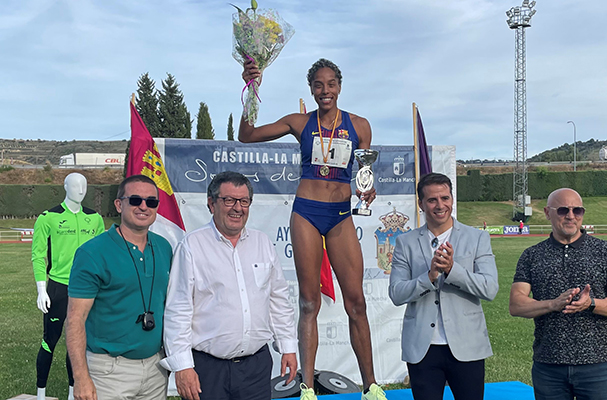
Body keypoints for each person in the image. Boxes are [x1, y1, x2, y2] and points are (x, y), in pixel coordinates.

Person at [239, 59, 386, 400]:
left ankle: (371, 386)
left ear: (340, 86)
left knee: (356, 302)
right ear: (311, 89)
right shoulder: (300, 122)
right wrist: (251, 88)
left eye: (331, 84)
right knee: (308, 303)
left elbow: (365, 174)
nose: (325, 91)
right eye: (318, 85)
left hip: (340, 216)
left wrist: (368, 189)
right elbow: (246, 136)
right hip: (306, 213)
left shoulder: (359, 125)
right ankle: (307, 388)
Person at [161, 172, 297, 400]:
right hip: (208, 369)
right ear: (211, 203)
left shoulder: (262, 243)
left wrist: (288, 347)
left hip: (256, 368)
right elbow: (179, 309)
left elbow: (278, 301)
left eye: (244, 201)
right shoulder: (192, 246)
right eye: (229, 200)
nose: (237, 208)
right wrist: (182, 366)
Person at [509, 188, 607, 400]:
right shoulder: (532, 255)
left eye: (577, 210)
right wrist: (552, 304)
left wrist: (591, 303)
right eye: (563, 210)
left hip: (597, 364)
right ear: (547, 213)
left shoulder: (606, 251)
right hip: (548, 365)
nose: (571, 216)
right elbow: (516, 304)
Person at [388, 173, 499, 400]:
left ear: (452, 199)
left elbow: (489, 288)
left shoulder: (477, 238)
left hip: (467, 345)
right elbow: (396, 293)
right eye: (432, 200)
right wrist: (428, 278)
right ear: (421, 204)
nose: (440, 205)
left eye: (445, 198)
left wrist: (452, 270)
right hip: (422, 348)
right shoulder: (405, 242)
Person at [66, 175, 172, 400]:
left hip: (156, 369)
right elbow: (75, 319)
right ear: (118, 204)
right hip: (108, 372)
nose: (143, 206)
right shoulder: (92, 253)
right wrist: (81, 377)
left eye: (151, 201)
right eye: (135, 200)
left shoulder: (164, 248)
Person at [31, 172, 104, 400]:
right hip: (58, 288)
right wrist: (41, 289)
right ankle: (40, 394)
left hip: (87, 289)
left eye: (84, 186)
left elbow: (101, 254)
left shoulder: (95, 219)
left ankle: (73, 394)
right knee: (49, 341)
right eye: (75, 185)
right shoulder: (48, 218)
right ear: (65, 187)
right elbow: (38, 255)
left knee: (79, 342)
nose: (80, 190)